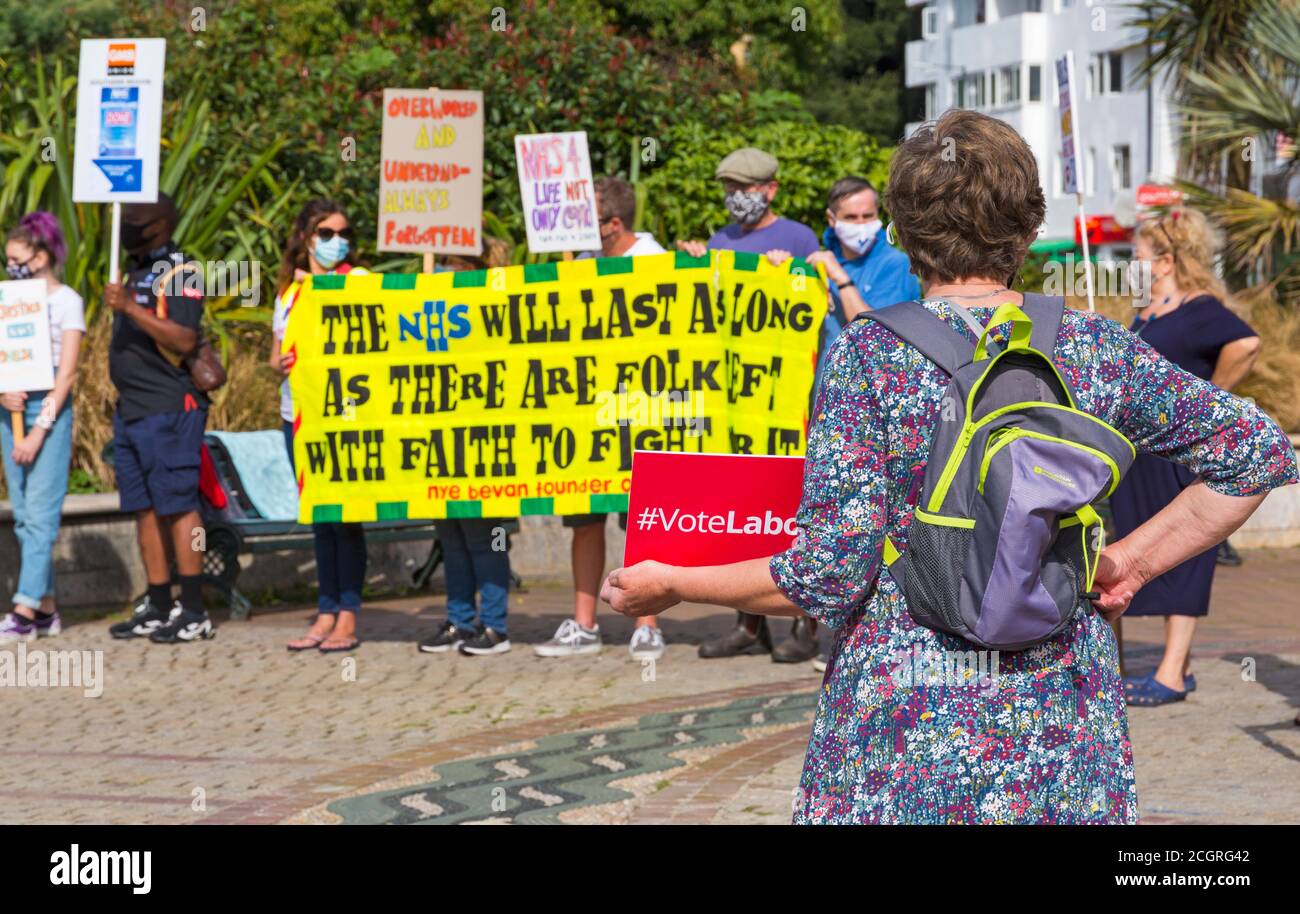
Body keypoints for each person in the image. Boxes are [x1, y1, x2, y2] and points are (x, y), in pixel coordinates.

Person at [599, 110, 1297, 823]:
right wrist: (1135, 562)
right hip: (1059, 731)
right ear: (1027, 228)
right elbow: (1256, 454)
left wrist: (675, 583)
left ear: (901, 231)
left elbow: (827, 576)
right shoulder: (1091, 347)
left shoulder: (870, 356)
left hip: (900, 735)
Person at [766, 178, 923, 670]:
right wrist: (772, 273)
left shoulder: (895, 264)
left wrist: (840, 278)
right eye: (851, 218)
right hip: (820, 413)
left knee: (871, 522)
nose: (863, 226)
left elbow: (878, 332)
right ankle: (809, 625)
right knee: (818, 521)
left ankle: (867, 629)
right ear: (832, 220)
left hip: (882, 415)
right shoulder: (811, 262)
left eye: (869, 215)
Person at [1110, 208, 1262, 706]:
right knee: (1138, 549)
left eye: (1139, 254)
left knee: (1186, 554)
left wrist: (1213, 399)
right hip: (1140, 455)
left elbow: (1247, 342)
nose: (1134, 261)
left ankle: (1173, 672)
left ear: (1166, 260)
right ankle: (1163, 667)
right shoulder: (1148, 307)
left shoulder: (1198, 307)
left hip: (1180, 453)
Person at [677, 147, 821, 662]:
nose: (735, 198)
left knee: (793, 511)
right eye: (728, 188)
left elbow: (813, 307)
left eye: (744, 187)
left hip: (786, 401)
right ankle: (749, 623)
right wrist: (695, 267)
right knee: (744, 513)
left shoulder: (800, 239)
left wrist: (794, 272)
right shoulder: (721, 241)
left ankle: (805, 623)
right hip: (736, 404)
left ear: (770, 190)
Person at [534, 177, 668, 661]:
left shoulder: (656, 264)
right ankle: (584, 623)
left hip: (641, 413)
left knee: (641, 519)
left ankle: (646, 625)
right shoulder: (580, 266)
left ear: (612, 225)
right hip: (586, 415)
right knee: (584, 518)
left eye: (584, 219)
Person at [104, 194, 214, 643]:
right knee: (144, 507)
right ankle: (158, 601)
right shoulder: (133, 267)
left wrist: (130, 308)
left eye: (133, 220)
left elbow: (185, 338)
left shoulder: (181, 270)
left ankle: (193, 608)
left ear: (160, 224)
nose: (126, 227)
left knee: (178, 506)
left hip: (170, 407)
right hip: (131, 410)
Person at [272, 199, 368, 653]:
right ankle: (325, 610)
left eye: (343, 233)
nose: (337, 242)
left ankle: (348, 615)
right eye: (326, 234)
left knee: (346, 521)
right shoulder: (289, 294)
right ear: (306, 238)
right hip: (301, 418)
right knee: (320, 520)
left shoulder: (359, 282)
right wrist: (282, 360)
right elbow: (277, 357)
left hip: (348, 420)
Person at [417, 238, 517, 657]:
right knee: (451, 536)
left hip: (483, 440)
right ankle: (460, 620)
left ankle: (495, 625)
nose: (442, 269)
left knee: (486, 536)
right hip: (443, 436)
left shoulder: (496, 303)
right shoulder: (434, 304)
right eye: (439, 261)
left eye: (449, 262)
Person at [0, 213, 84, 643]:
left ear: (43, 254)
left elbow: (66, 376)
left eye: (20, 259)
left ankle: (24, 607)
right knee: (24, 517)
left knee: (42, 518)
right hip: (12, 406)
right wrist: (2, 393)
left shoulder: (68, 301)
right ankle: (46, 611)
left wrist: (38, 432)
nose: (13, 267)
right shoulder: (8, 298)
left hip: (49, 408)